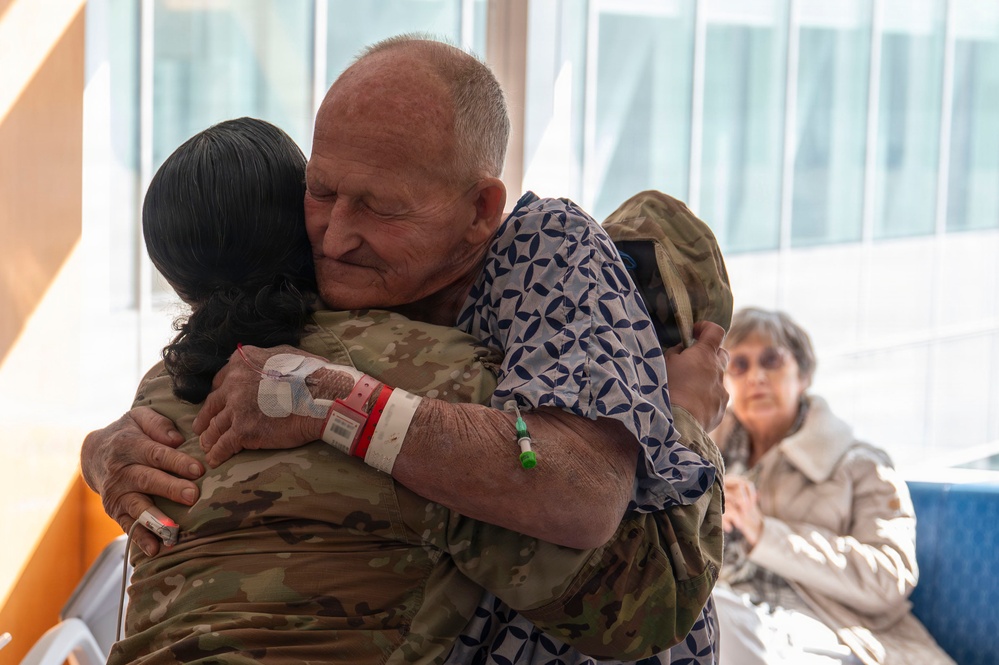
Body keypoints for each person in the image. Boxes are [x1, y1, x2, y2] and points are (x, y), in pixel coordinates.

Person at [83, 36, 730, 664]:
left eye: (380, 208)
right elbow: (640, 601)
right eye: (321, 191)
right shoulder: (298, 373)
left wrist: (327, 399)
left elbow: (583, 502)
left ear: (480, 210)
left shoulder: (543, 260)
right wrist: (101, 450)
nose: (335, 236)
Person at [710, 307, 954, 665]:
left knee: (718, 622)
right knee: (696, 616)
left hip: (834, 631)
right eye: (740, 365)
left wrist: (765, 533)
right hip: (736, 615)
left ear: (803, 374)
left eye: (771, 360)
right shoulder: (701, 460)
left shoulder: (862, 464)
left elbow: (890, 576)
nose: (756, 377)